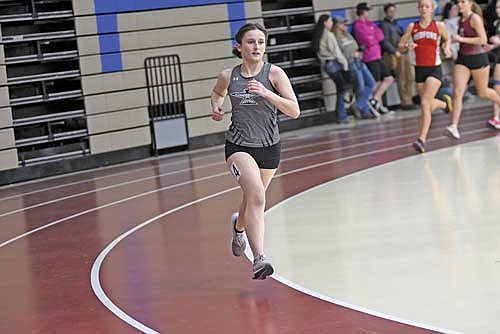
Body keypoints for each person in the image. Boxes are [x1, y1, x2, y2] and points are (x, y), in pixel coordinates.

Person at [211, 23, 300, 279]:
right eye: (251, 42)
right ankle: (259, 258)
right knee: (258, 197)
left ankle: (238, 226)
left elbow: (294, 111)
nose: (257, 47)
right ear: (239, 47)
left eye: (261, 42)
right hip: (239, 146)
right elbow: (218, 92)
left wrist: (267, 94)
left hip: (269, 148)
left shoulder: (275, 74)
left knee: (251, 199)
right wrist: (217, 107)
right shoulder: (229, 76)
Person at [399, 0, 453, 153]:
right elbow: (400, 46)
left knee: (424, 102)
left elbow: (447, 39)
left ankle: (421, 139)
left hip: (434, 69)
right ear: (418, 9)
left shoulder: (438, 26)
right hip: (419, 70)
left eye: (427, 6)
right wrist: (407, 47)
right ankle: (443, 104)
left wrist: (447, 48)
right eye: (421, 6)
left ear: (432, 9)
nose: (423, 9)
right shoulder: (412, 27)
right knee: (426, 107)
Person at [446, 0, 500, 138]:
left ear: (470, 3)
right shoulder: (458, 21)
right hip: (463, 59)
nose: (460, 4)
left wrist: (461, 39)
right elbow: (457, 38)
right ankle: (454, 125)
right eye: (458, 2)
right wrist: (448, 44)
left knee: (482, 92)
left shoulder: (474, 18)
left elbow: (482, 40)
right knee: (457, 92)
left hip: (478, 59)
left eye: (463, 2)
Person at [353, 2, 395, 115]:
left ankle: (375, 100)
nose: (369, 13)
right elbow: (367, 40)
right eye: (367, 11)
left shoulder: (371, 24)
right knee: (376, 82)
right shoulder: (358, 25)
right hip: (369, 57)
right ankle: (376, 106)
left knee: (388, 78)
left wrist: (372, 37)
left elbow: (380, 36)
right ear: (362, 12)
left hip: (378, 55)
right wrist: (372, 37)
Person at [333, 16, 377, 119]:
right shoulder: (336, 38)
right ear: (338, 25)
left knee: (371, 82)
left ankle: (358, 105)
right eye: (343, 23)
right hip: (351, 62)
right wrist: (352, 54)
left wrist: (359, 51)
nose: (345, 25)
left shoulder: (347, 35)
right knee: (360, 87)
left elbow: (354, 45)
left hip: (358, 61)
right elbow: (340, 53)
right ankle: (364, 110)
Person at [312, 14, 352, 123]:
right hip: (333, 64)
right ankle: (341, 116)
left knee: (341, 89)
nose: (331, 23)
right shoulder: (329, 35)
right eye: (330, 21)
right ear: (325, 23)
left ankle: (341, 115)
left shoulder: (319, 35)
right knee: (342, 89)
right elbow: (336, 52)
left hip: (326, 64)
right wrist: (345, 64)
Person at [381, 3, 416, 110]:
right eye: (390, 11)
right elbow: (385, 41)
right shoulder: (385, 25)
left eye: (394, 11)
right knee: (401, 77)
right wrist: (393, 51)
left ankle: (409, 98)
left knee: (409, 77)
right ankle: (405, 101)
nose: (393, 13)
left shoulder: (395, 24)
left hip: (403, 51)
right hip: (395, 53)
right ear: (386, 13)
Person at [484, 0, 500, 129]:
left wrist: (497, 41)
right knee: (497, 88)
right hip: (499, 58)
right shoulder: (497, 23)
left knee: (497, 88)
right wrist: (489, 46)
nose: (498, 10)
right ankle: (496, 118)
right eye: (497, 7)